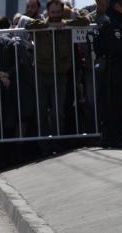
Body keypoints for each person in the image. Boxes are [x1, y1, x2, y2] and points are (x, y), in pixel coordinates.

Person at [25, 0, 89, 136]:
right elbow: (28, 25)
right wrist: (48, 25)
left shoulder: (66, 24)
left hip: (60, 74)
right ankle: (44, 145)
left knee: (58, 112)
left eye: (58, 12)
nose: (55, 15)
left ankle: (57, 141)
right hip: (41, 73)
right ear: (48, 12)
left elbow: (85, 20)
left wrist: (66, 23)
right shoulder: (41, 24)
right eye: (53, 12)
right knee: (41, 112)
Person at [95, 0, 122, 147]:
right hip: (113, 71)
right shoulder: (111, 22)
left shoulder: (115, 20)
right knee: (114, 104)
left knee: (117, 104)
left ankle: (114, 137)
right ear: (118, 5)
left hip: (116, 70)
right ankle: (113, 138)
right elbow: (116, 47)